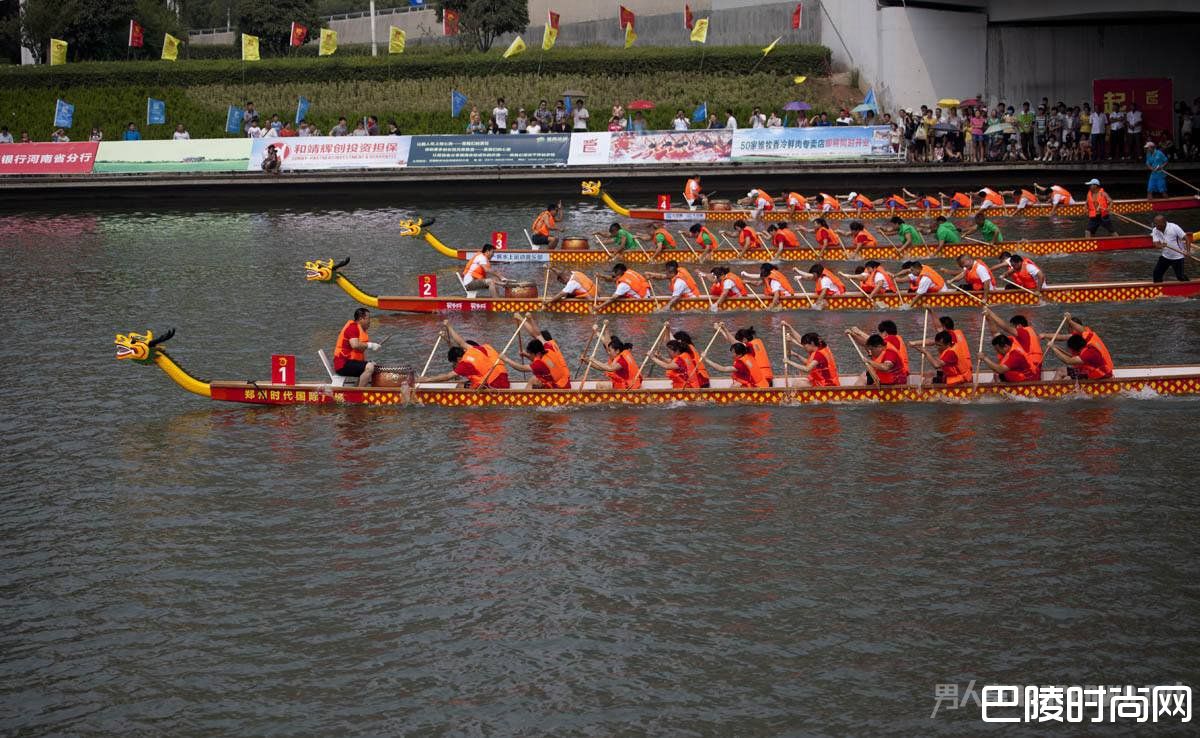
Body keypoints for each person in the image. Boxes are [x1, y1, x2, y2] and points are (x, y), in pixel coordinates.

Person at [419, 322, 511, 389]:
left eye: (455, 362)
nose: (455, 365)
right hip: (504, 379)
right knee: (465, 382)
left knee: (459, 386)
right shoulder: (476, 349)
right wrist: (449, 327)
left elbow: (447, 376)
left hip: (494, 386)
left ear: (459, 359)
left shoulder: (465, 363)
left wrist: (427, 380)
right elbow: (461, 342)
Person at [500, 314, 570, 388]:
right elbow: (537, 334)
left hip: (559, 387)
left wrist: (505, 359)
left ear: (537, 353)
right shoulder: (549, 348)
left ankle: (525, 398)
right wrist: (529, 319)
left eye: (531, 354)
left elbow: (521, 368)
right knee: (538, 379)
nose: (530, 355)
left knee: (533, 379)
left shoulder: (540, 363)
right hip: (564, 380)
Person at [330, 308, 381, 387]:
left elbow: (359, 348)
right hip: (343, 364)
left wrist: (373, 346)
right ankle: (359, 393)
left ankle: (356, 388)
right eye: (368, 319)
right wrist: (371, 345)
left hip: (349, 362)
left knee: (373, 365)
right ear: (361, 319)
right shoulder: (352, 327)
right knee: (370, 367)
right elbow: (355, 345)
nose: (370, 321)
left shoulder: (359, 329)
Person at [984, 309, 1043, 373]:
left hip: (1031, 370)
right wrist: (988, 318)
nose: (1012, 329)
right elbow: (995, 334)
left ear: (1019, 326)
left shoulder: (1024, 332)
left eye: (1013, 327)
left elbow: (1005, 327)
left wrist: (990, 313)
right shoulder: (1020, 340)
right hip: (1030, 368)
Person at [704, 341, 769, 388]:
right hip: (761, 383)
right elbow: (745, 344)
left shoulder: (740, 364)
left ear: (739, 354)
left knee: (734, 387)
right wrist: (724, 330)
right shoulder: (750, 352)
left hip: (753, 386)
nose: (732, 355)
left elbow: (722, 369)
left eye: (733, 353)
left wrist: (706, 359)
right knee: (736, 384)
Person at [1050, 334, 1114, 380]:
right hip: (1093, 373)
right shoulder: (1086, 349)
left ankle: (1053, 393)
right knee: (1062, 371)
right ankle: (1053, 390)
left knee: (1064, 374)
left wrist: (1053, 349)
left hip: (1101, 376)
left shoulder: (1088, 353)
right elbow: (1072, 358)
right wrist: (1056, 348)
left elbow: (1068, 361)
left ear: (1074, 348)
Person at [1150, 214, 1192, 282]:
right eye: (1155, 224)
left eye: (1158, 225)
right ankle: (1159, 289)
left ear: (1164, 223)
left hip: (1178, 257)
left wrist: (1188, 251)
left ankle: (1189, 287)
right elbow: (1156, 245)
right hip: (1165, 256)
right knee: (1157, 273)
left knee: (1180, 277)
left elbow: (1187, 239)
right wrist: (1162, 246)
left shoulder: (1174, 227)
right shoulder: (1155, 230)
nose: (1156, 226)